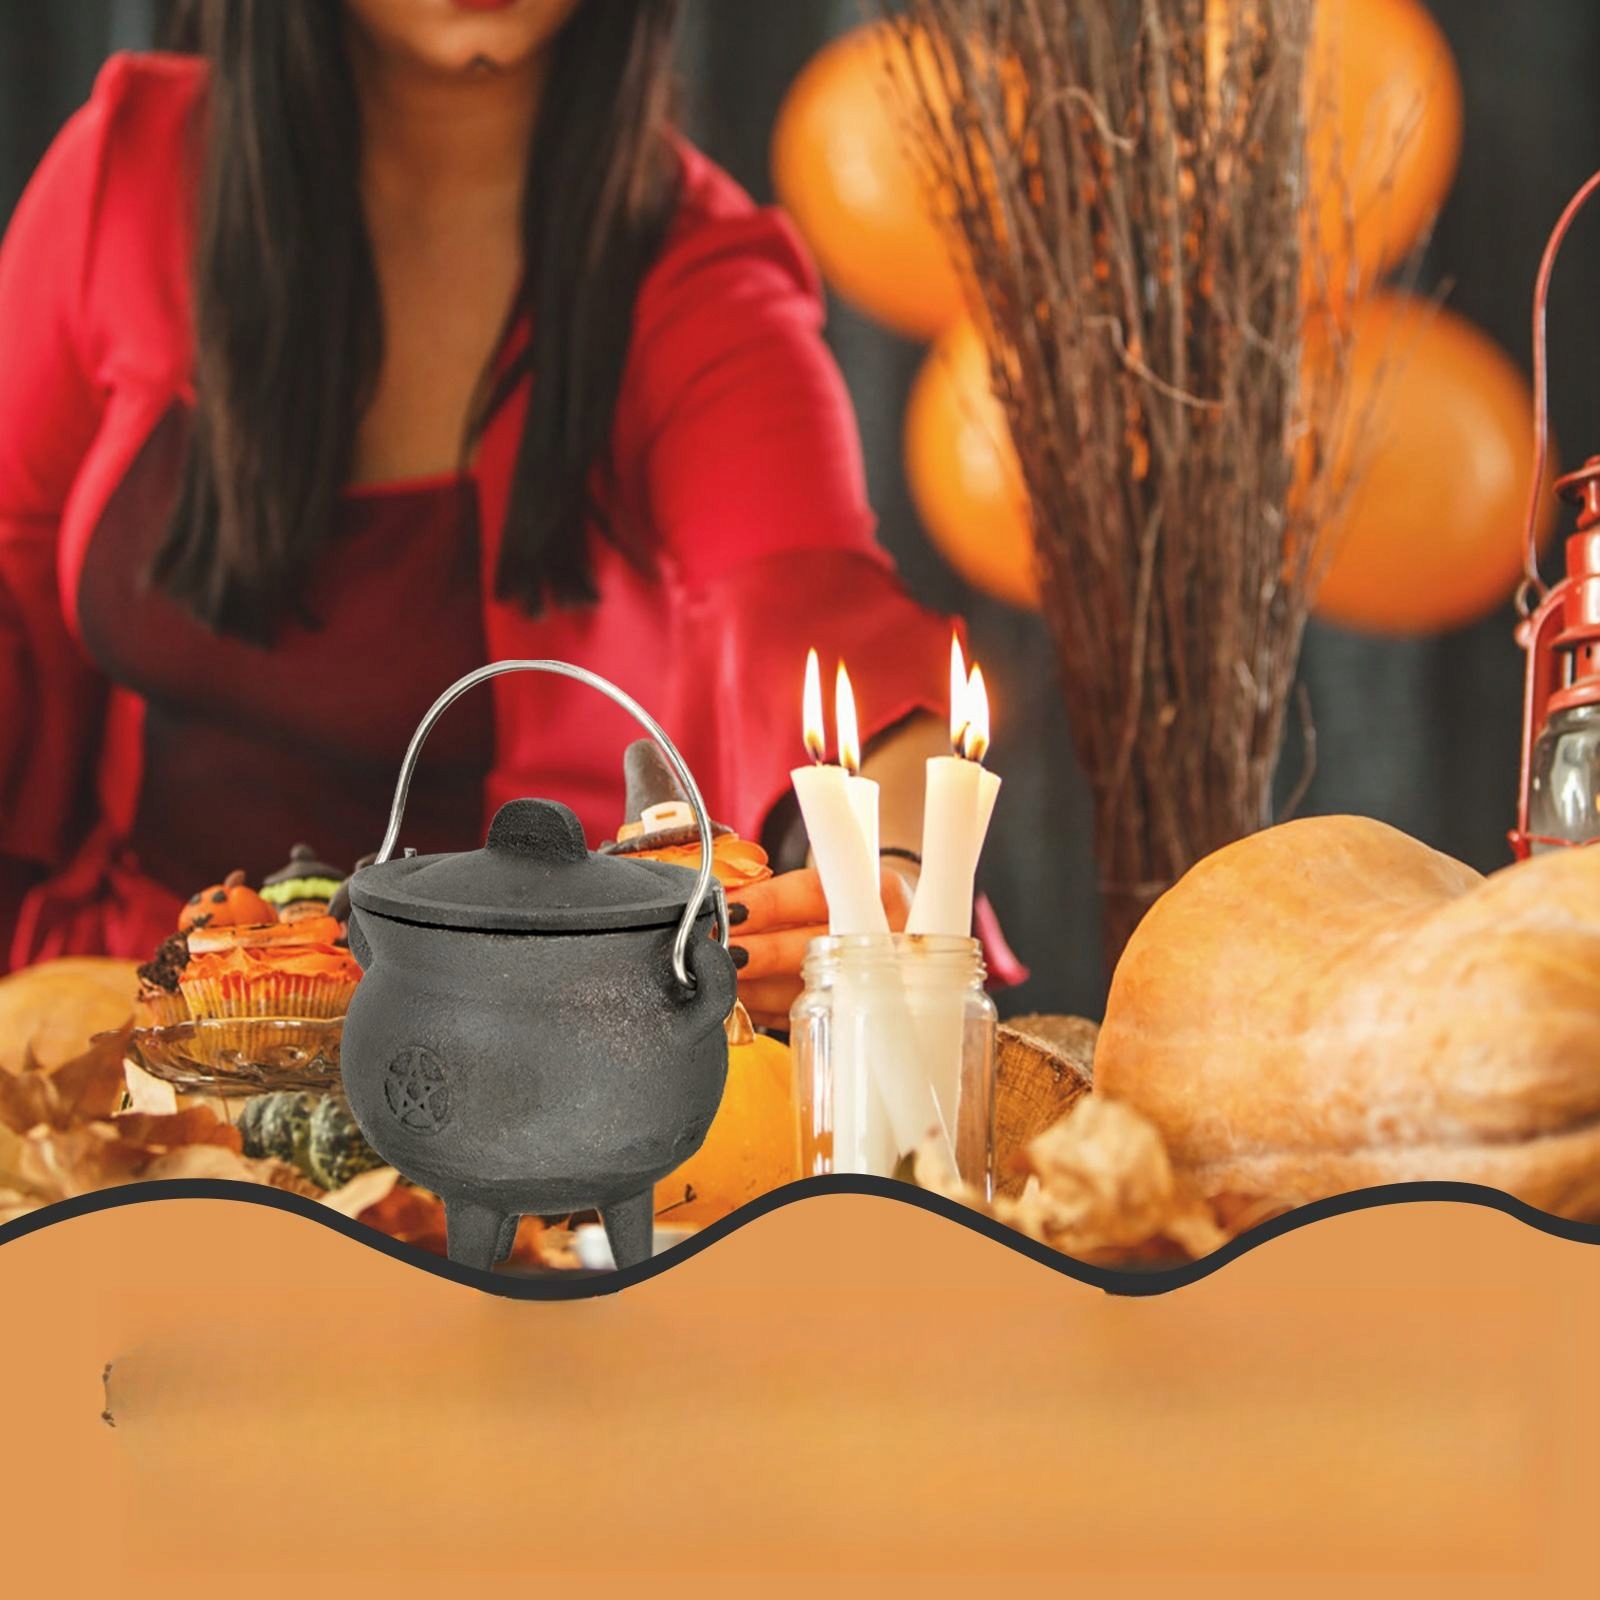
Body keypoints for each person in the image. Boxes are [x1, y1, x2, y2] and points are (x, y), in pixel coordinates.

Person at [0, 0, 971, 1026]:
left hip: (505, 1050)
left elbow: (815, 615)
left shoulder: (696, 280)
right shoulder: (130, 168)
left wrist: (896, 874)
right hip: (103, 1008)